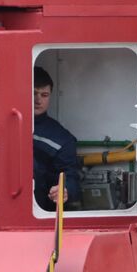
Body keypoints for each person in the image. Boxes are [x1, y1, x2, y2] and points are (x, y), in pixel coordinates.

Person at [33, 66, 83, 212]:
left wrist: (65, 189)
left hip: (39, 209)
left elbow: (71, 176)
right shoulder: (2, 126)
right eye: (34, 93)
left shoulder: (62, 139)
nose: (38, 100)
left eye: (44, 95)